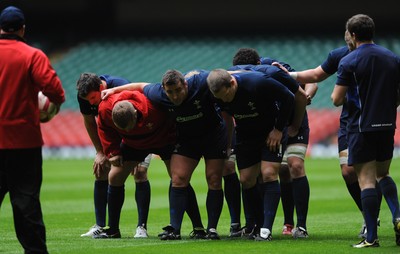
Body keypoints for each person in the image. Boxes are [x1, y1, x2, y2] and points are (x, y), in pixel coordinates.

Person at [276, 29, 383, 239]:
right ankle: (370, 216)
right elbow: (316, 75)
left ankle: (374, 219)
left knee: (376, 173)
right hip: (349, 120)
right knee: (348, 172)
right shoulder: (339, 55)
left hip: (374, 119)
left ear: (354, 36)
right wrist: (287, 75)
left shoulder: (382, 57)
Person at [102, 69, 227, 240]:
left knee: (213, 179)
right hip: (182, 140)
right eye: (170, 92)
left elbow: (226, 76)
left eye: (178, 90)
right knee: (178, 178)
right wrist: (114, 90)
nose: (174, 96)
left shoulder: (200, 83)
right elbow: (140, 86)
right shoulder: (157, 95)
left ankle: (207, 228)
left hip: (198, 137)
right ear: (163, 89)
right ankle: (172, 229)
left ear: (185, 84)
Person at [331, 14, 400, 248]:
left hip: (361, 127)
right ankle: (398, 216)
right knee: (384, 174)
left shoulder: (349, 61)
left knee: (366, 181)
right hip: (387, 125)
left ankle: (371, 237)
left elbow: (336, 99)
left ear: (352, 34)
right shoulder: (392, 57)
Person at [0, 6, 65, 254]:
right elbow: (56, 92)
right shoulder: (32, 55)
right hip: (23, 143)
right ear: (23, 29)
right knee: (26, 204)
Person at [230, 47, 314, 238]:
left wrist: (296, 122)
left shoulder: (274, 68)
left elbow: (310, 85)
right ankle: (264, 224)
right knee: (270, 173)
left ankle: (300, 226)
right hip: (271, 126)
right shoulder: (241, 80)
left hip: (293, 123)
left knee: (295, 165)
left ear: (258, 65)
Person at [207, 68, 294, 241]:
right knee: (246, 179)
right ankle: (256, 225)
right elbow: (225, 118)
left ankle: (266, 230)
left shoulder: (258, 82)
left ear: (232, 82)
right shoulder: (217, 94)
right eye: (220, 98)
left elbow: (289, 97)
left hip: (271, 132)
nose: (224, 100)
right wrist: (228, 143)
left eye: (226, 95)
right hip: (246, 135)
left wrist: (278, 129)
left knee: (269, 173)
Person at [76, 73, 153, 238]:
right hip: (112, 136)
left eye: (93, 98)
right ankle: (100, 225)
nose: (91, 103)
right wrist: (100, 151)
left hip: (138, 134)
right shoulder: (84, 96)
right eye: (87, 99)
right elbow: (89, 122)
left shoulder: (120, 86)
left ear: (101, 88)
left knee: (140, 172)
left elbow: (137, 116)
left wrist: (137, 153)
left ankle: (142, 227)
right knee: (102, 169)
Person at [93, 90, 176, 239]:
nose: (126, 130)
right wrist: (112, 152)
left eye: (128, 127)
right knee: (115, 176)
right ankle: (113, 230)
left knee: (179, 177)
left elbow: (171, 119)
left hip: (162, 138)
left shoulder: (152, 107)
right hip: (134, 144)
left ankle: (190, 228)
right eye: (122, 129)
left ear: (136, 114)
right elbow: (104, 129)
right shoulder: (105, 109)